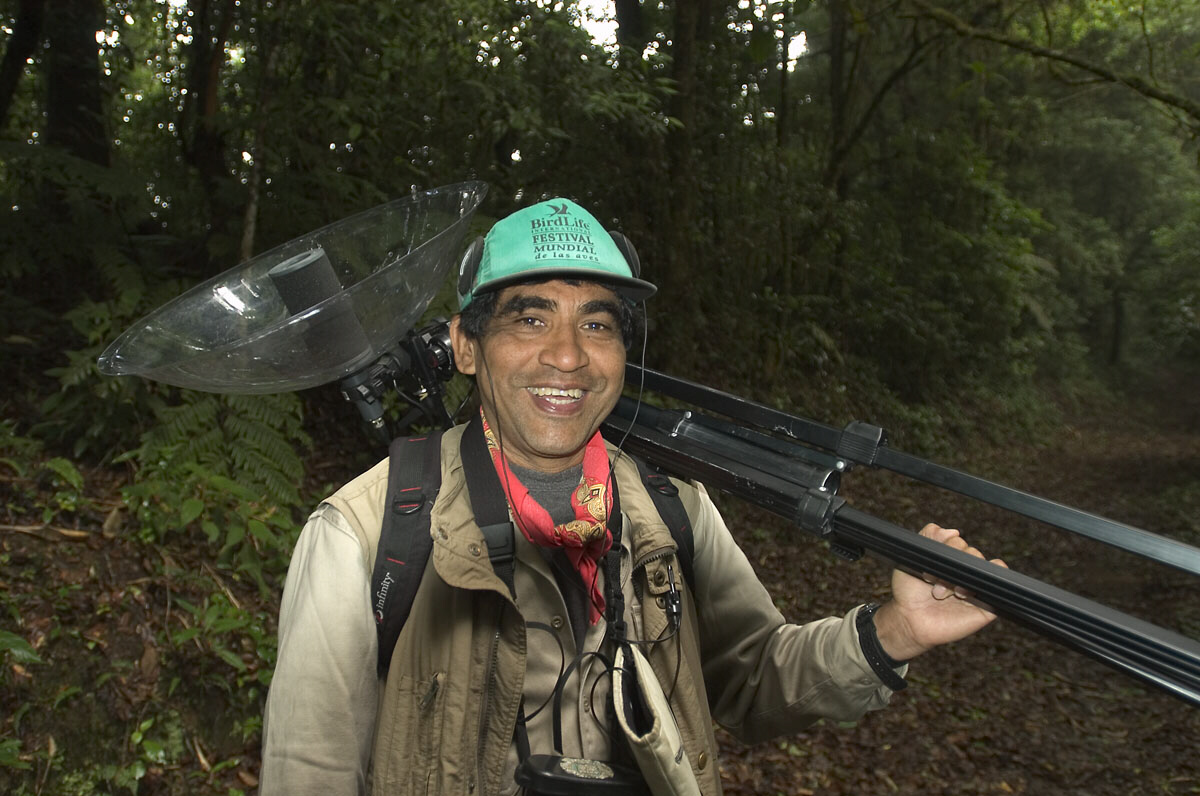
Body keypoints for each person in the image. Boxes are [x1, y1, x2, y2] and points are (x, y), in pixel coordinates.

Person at [259, 198, 1005, 796]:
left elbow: (752, 677)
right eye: (530, 317)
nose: (567, 355)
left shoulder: (671, 509)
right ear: (465, 346)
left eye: (598, 323)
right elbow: (310, 771)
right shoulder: (365, 533)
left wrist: (893, 632)